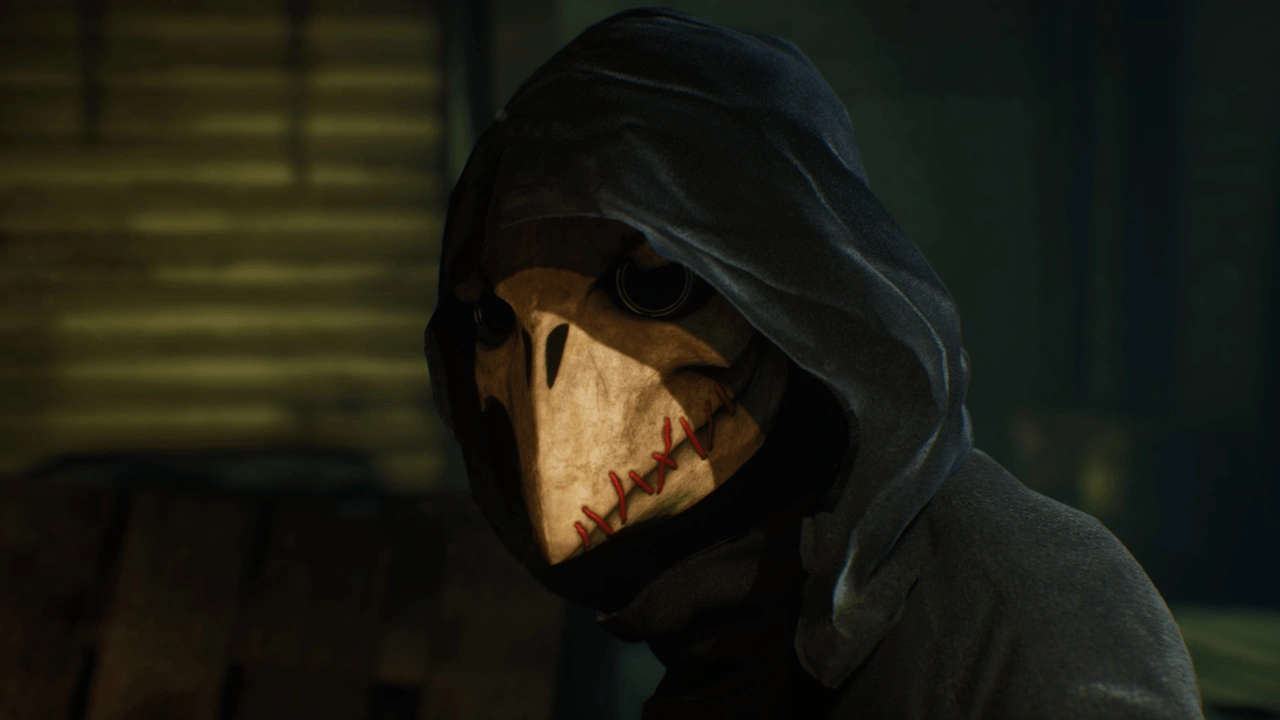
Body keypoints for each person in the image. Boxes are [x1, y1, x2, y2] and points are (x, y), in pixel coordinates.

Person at [424, 8, 1203, 718]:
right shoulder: (718, 630)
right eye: (494, 322)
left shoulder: (1032, 602)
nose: (554, 469)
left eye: (655, 285)